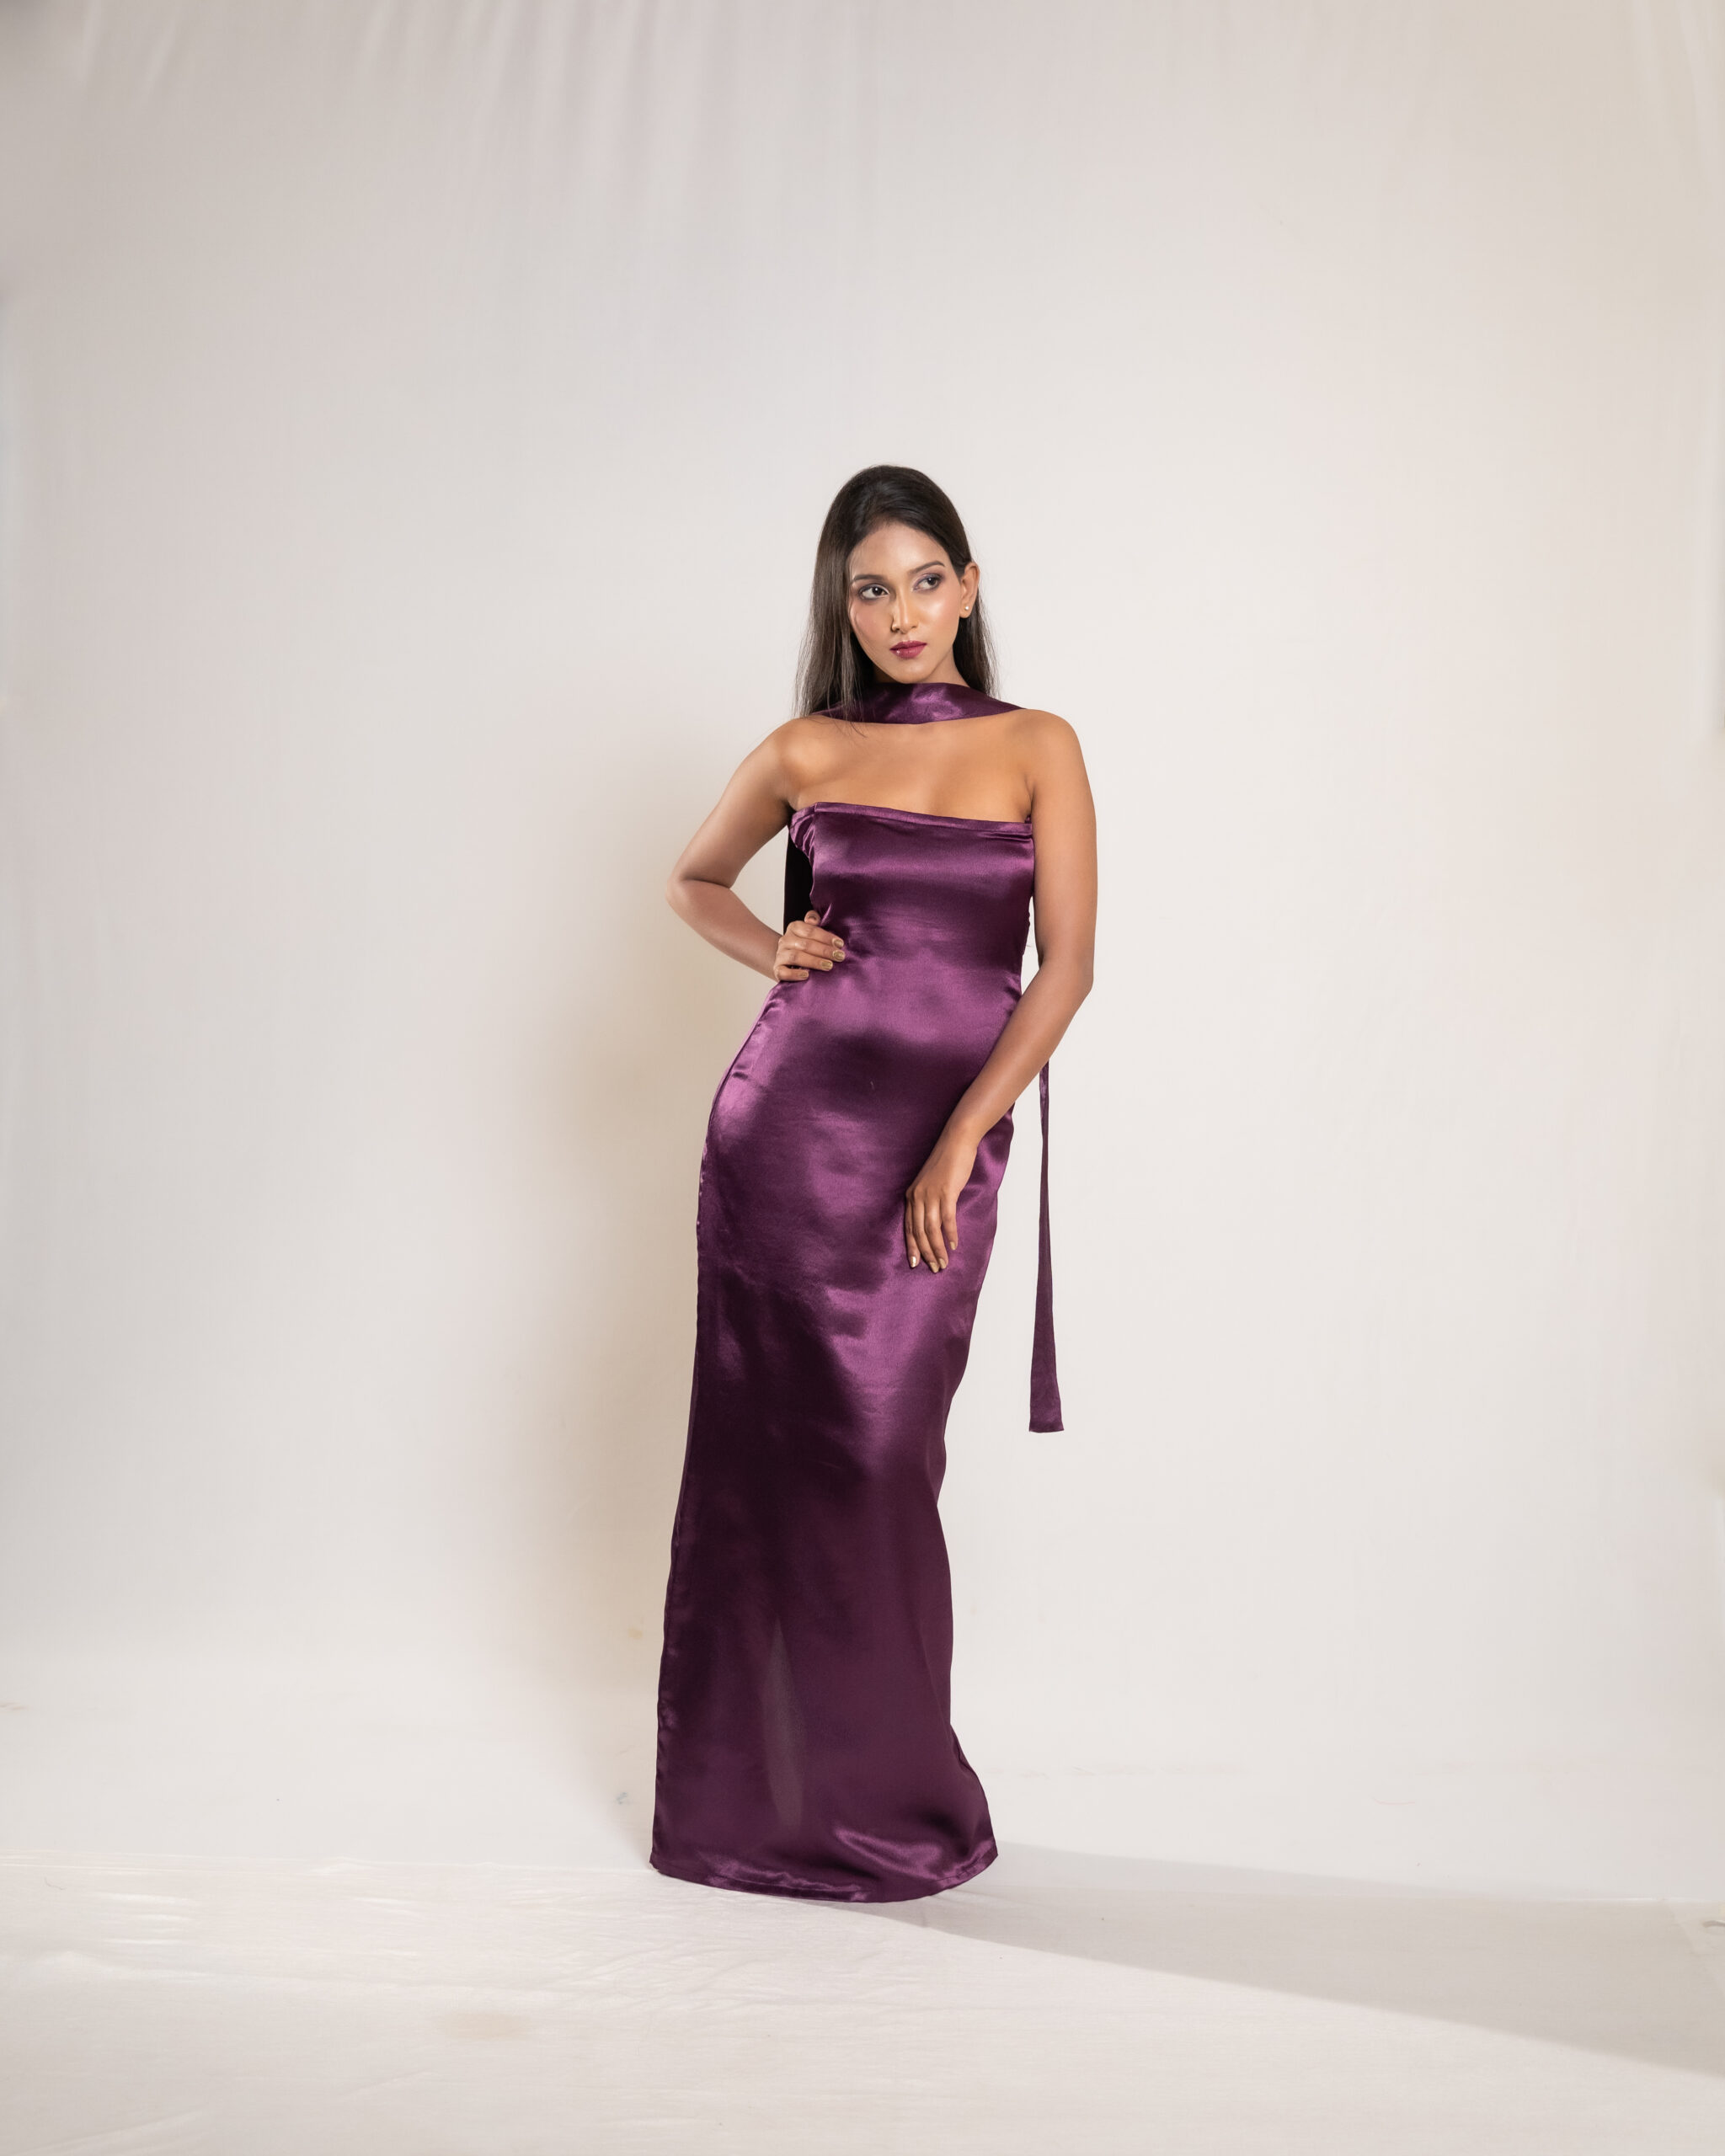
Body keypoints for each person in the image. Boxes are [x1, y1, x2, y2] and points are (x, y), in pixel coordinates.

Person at [650, 465, 1097, 1902]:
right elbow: (694, 880)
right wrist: (766, 946)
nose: (901, 613)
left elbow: (1066, 970)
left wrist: (964, 1136)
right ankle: (744, 1811)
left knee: (883, 1462)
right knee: (771, 1467)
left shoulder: (1037, 745)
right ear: (840, 609)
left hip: (937, 1148)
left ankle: (891, 1801)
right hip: (784, 1143)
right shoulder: (806, 749)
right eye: (870, 590)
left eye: (924, 580)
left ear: (968, 587)